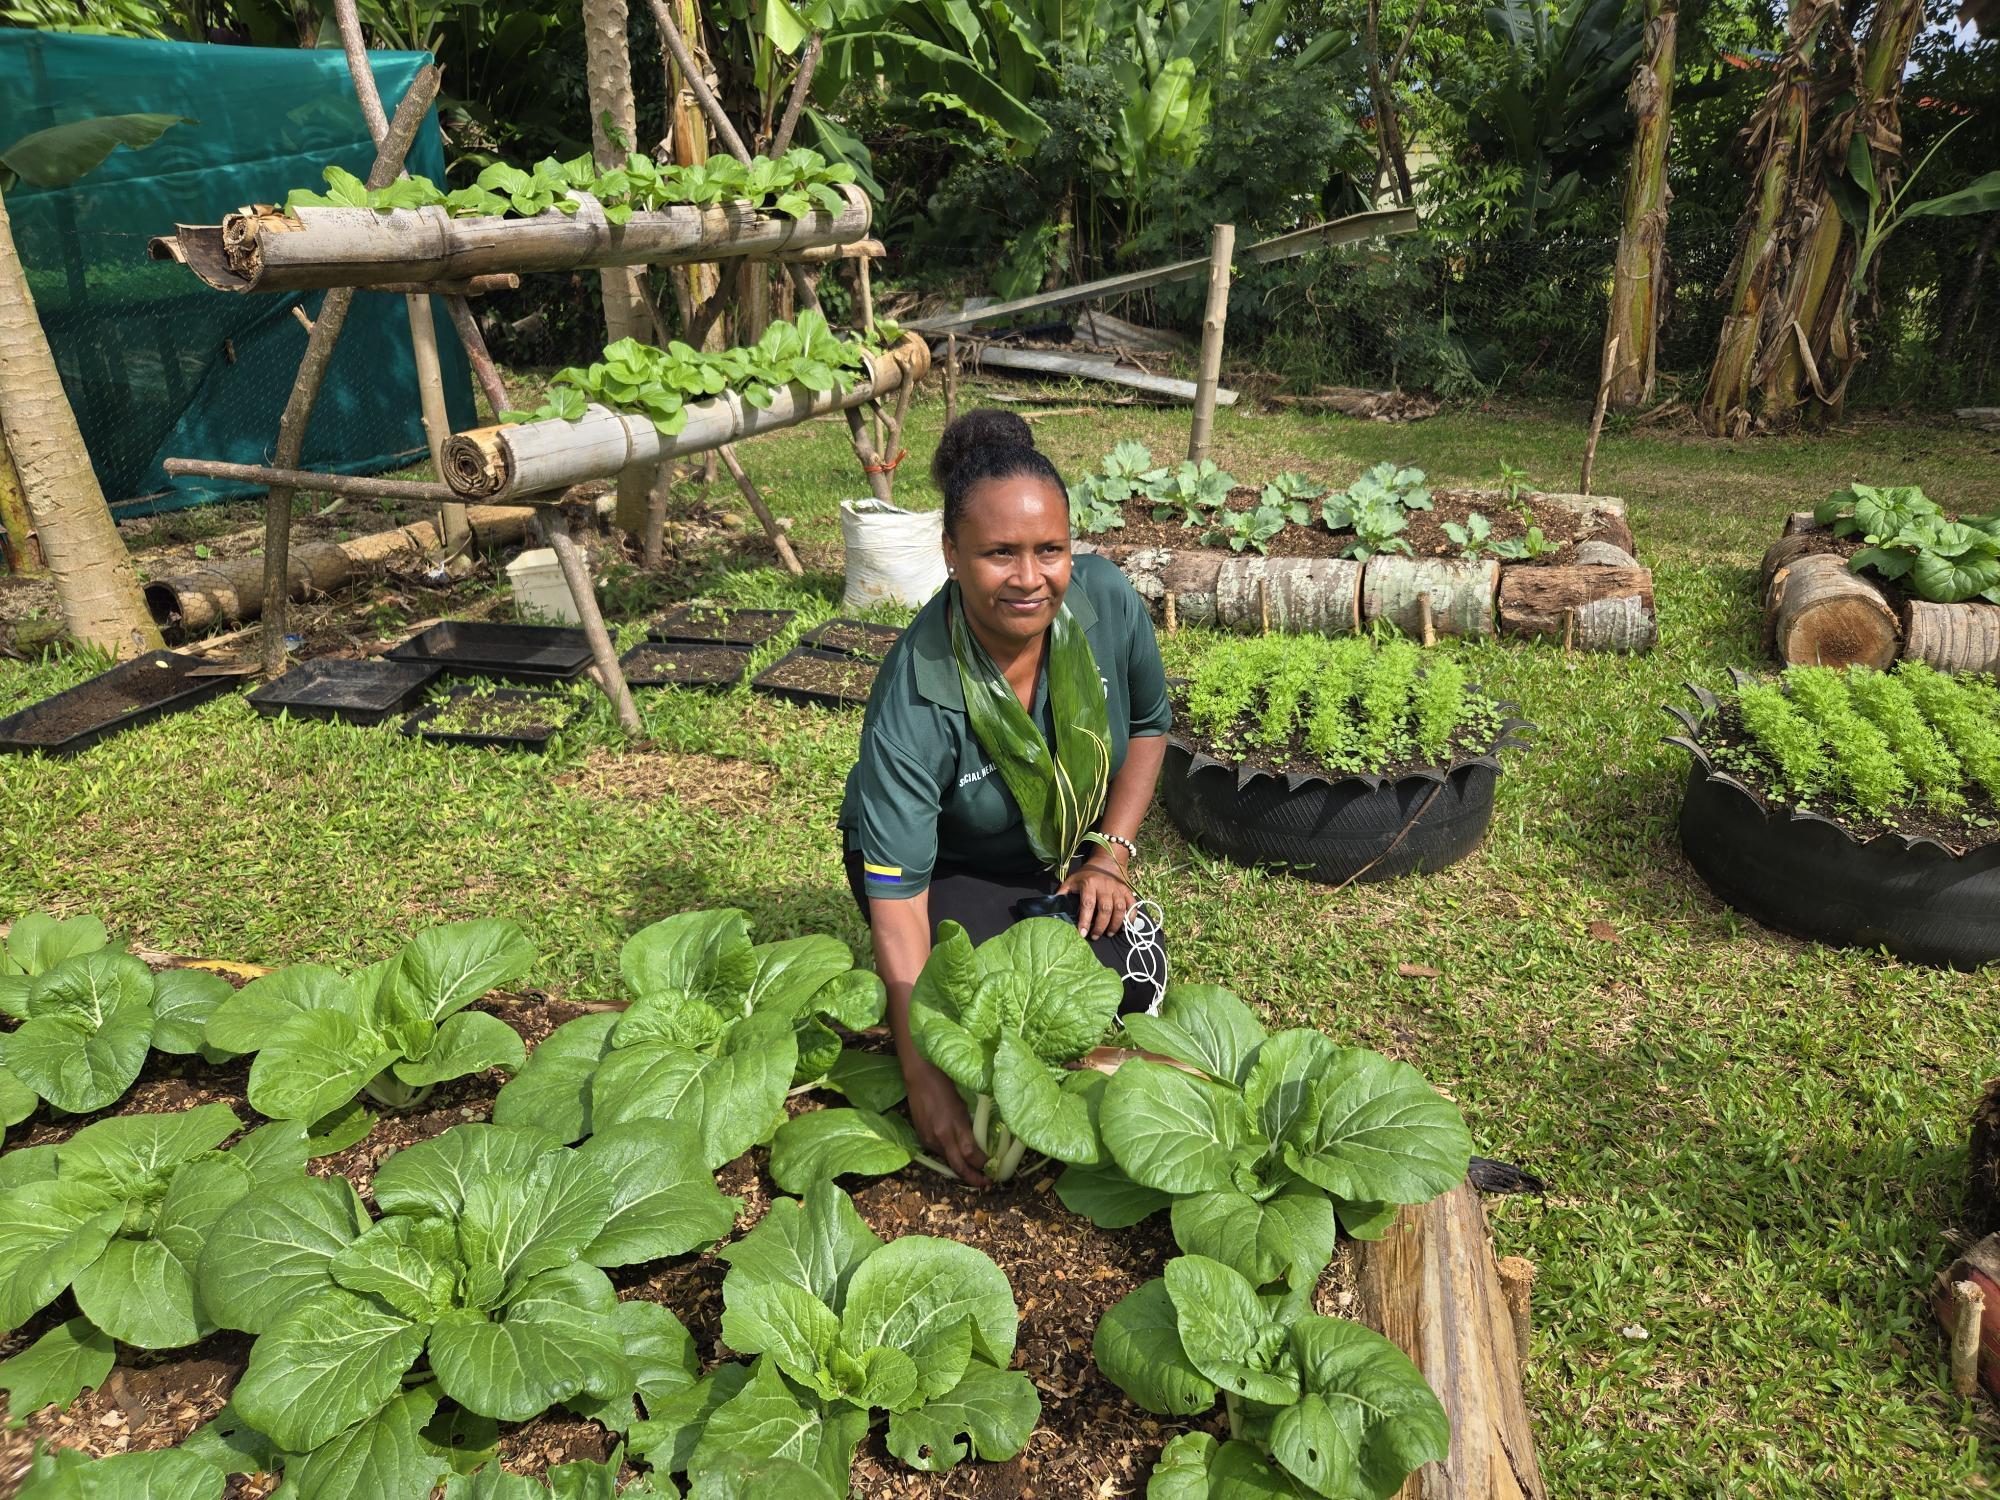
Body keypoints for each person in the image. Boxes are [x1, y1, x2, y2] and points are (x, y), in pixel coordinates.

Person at [837, 410, 1172, 1185]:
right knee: (981, 1008)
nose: (1030, 578)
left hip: (1061, 849)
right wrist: (922, 1073)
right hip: (946, 864)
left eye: (1049, 549)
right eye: (999, 553)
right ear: (951, 554)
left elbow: (1149, 726)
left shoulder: (1104, 601)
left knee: (1126, 979)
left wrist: (1110, 854)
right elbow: (900, 903)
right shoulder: (917, 694)